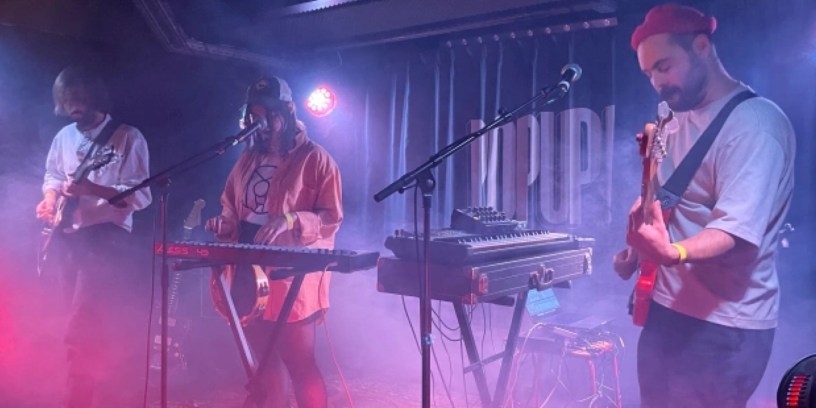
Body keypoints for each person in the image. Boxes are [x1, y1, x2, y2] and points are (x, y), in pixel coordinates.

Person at [612, 4, 795, 407]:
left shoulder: (754, 126)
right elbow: (666, 197)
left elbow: (734, 231)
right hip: (666, 312)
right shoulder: (673, 121)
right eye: (649, 75)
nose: (658, 83)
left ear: (701, 46)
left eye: (664, 67)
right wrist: (635, 252)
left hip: (723, 330)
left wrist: (672, 252)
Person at [205, 75, 343, 408]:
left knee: (299, 361)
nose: (260, 125)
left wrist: (290, 219)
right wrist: (223, 223)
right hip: (246, 267)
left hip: (289, 270)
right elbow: (231, 204)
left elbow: (331, 217)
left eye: (267, 115)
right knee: (263, 361)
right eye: (253, 117)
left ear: (287, 113)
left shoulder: (316, 158)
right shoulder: (247, 158)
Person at [35, 65, 152, 407]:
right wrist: (49, 199)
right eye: (66, 99)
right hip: (68, 238)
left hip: (107, 240)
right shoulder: (64, 137)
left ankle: (82, 397)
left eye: (79, 98)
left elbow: (140, 195)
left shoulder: (128, 137)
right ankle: (82, 389)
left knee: (82, 323)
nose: (73, 106)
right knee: (72, 320)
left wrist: (92, 188)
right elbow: (53, 175)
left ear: (94, 96)